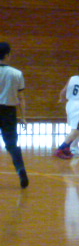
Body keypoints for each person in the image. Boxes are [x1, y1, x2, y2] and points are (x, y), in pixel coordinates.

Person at [0, 42, 28, 188]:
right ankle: (21, 170)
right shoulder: (17, 73)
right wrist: (23, 117)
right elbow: (21, 98)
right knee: (11, 144)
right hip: (8, 111)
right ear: (7, 55)